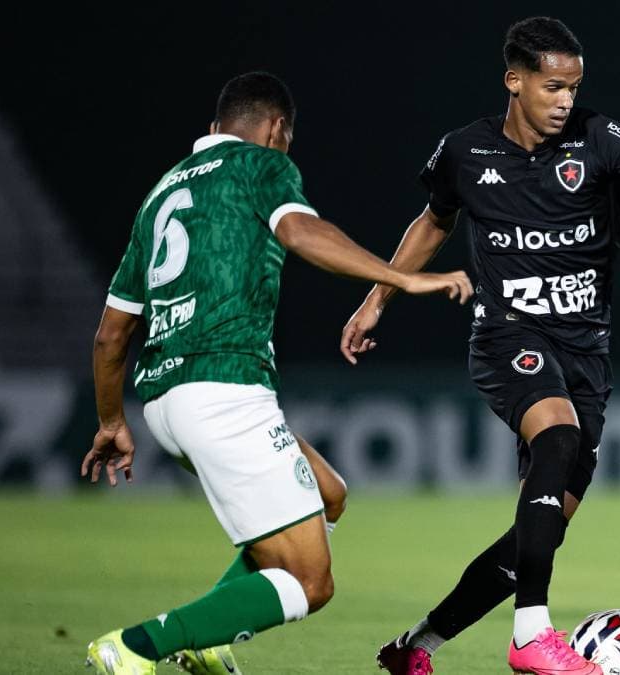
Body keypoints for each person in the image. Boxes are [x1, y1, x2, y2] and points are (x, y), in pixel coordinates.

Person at [340, 17, 620, 675]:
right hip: (507, 338)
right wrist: (378, 297)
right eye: (551, 87)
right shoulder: (464, 152)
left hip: (585, 356)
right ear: (514, 81)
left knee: (533, 539)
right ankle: (532, 636)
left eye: (573, 87)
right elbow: (434, 222)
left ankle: (415, 647)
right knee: (557, 439)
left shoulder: (600, 139)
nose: (564, 100)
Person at [81, 71, 473, 675]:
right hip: (223, 391)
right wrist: (401, 278)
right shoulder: (261, 165)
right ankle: (137, 646)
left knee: (327, 494)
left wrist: (112, 419)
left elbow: (111, 335)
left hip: (162, 400)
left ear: (214, 129)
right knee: (308, 581)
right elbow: (301, 231)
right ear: (276, 130)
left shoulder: (160, 195)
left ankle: (211, 639)